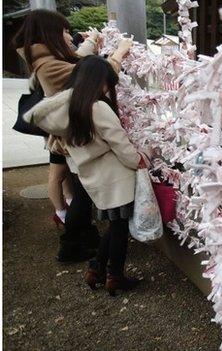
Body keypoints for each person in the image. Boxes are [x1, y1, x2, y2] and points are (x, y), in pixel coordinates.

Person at [12, 9, 132, 262]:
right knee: (81, 193)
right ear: (50, 33)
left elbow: (79, 61)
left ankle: (84, 244)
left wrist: (90, 42)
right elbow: (91, 73)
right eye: (64, 31)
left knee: (76, 188)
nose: (69, 35)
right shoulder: (53, 67)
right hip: (77, 137)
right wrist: (119, 52)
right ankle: (74, 244)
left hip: (71, 136)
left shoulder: (47, 59)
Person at [25, 56, 150, 296]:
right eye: (106, 83)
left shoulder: (67, 110)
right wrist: (140, 159)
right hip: (116, 177)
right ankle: (115, 276)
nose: (106, 89)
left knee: (115, 225)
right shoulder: (97, 107)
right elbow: (120, 145)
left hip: (93, 179)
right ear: (97, 80)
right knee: (119, 229)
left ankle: (96, 268)